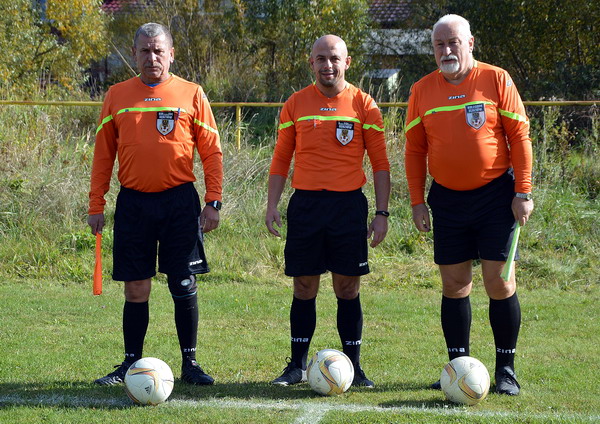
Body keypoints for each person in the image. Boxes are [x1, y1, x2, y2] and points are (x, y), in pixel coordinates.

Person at [404, 14, 534, 396]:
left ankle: (506, 370)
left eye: (454, 43)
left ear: (470, 43)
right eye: (440, 45)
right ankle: (457, 368)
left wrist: (523, 191)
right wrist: (416, 202)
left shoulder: (496, 79)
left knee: (499, 282)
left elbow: (520, 137)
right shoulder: (421, 90)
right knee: (454, 284)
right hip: (446, 199)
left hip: (496, 196)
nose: (447, 50)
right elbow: (414, 150)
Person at [88, 23, 223, 386]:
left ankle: (190, 365)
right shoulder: (117, 95)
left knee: (183, 282)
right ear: (134, 54)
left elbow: (211, 152)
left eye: (159, 51)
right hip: (134, 203)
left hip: (180, 202)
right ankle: (130, 364)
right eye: (145, 51)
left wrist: (213, 201)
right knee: (136, 288)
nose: (152, 58)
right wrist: (96, 203)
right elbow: (103, 156)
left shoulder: (192, 93)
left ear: (171, 54)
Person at [265, 34, 391, 388]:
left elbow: (381, 164)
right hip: (306, 206)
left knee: (347, 287)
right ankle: (296, 365)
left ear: (347, 62)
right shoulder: (295, 103)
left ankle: (354, 366)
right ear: (312, 63)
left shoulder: (364, 104)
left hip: (348, 206)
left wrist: (382, 213)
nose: (328, 65)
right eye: (320, 58)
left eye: (334, 58)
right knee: (304, 285)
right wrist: (272, 204)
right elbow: (281, 159)